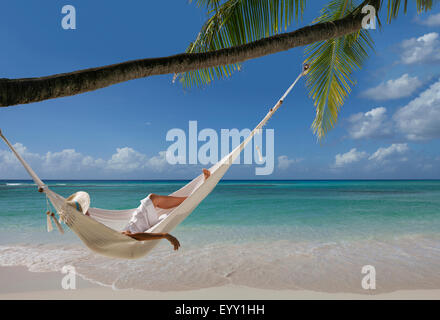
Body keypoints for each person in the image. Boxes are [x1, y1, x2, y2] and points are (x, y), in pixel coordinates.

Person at [120, 168, 211, 250]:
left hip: (140, 221)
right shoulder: (113, 239)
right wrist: (164, 235)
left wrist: (164, 235)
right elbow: (133, 237)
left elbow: (131, 236)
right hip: (148, 229)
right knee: (173, 214)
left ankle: (196, 194)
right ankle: (198, 193)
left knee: (153, 198)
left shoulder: (110, 235)